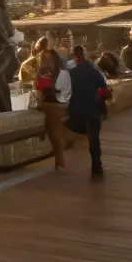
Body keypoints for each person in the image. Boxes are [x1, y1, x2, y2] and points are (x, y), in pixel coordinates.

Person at [66, 45, 111, 177]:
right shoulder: (94, 71)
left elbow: (66, 92)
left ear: (74, 56)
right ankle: (97, 165)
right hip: (93, 109)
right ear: (83, 55)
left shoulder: (72, 73)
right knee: (94, 139)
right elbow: (103, 88)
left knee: (76, 129)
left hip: (77, 110)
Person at [33, 59, 69, 173]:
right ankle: (60, 163)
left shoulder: (41, 77)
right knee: (57, 136)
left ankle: (60, 163)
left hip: (48, 106)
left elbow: (38, 95)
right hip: (58, 106)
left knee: (55, 137)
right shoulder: (57, 75)